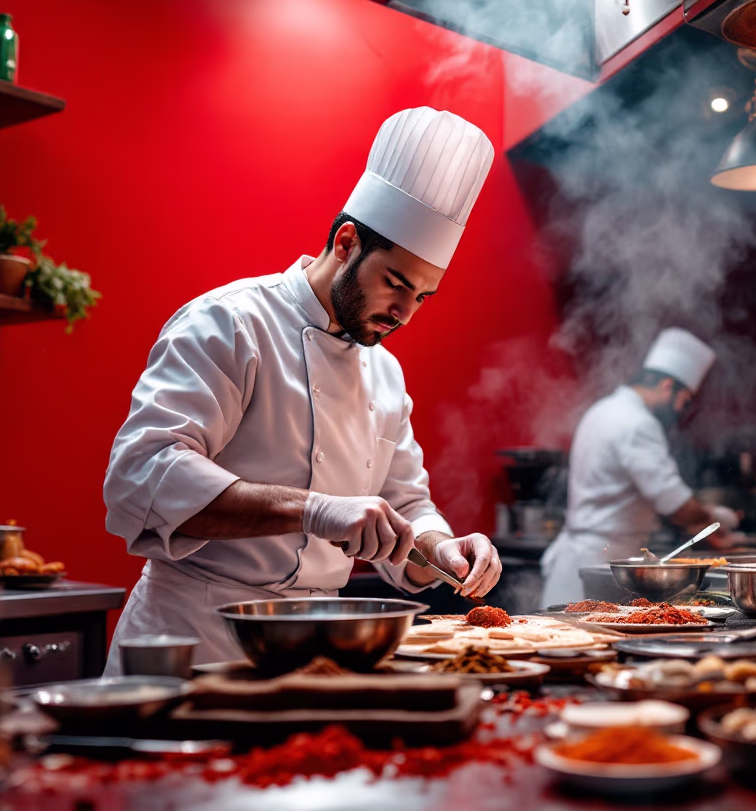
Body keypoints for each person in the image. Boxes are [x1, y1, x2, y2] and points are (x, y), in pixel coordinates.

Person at [102, 107, 503, 671]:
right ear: (345, 243)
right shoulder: (231, 322)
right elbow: (143, 475)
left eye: (422, 298)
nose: (405, 314)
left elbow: (405, 502)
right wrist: (315, 511)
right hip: (194, 639)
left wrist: (442, 548)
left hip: (319, 650)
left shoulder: (384, 373)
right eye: (395, 284)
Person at [540, 328, 740, 607]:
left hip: (583, 560)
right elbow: (677, 506)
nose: (682, 409)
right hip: (604, 565)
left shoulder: (604, 409)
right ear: (668, 386)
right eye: (685, 400)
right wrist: (719, 517)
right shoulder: (637, 423)